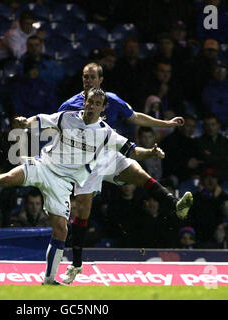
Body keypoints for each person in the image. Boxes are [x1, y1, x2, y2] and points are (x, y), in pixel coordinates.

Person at [0, 88, 176, 285]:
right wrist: (26, 121)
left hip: (63, 184)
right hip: (44, 167)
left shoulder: (106, 134)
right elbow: (40, 120)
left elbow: (133, 151)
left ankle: (49, 280)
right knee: (7, 178)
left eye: (97, 103)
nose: (92, 106)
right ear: (84, 102)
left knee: (61, 231)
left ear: (103, 108)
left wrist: (151, 152)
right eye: (89, 101)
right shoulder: (66, 117)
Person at [57, 63, 190, 283]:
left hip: (108, 153)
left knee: (137, 172)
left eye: (92, 77)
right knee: (82, 212)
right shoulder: (69, 106)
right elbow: (58, 131)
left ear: (101, 80)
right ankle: (76, 264)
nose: (88, 81)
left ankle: (175, 204)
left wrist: (165, 123)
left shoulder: (111, 101)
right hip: (85, 164)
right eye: (85, 77)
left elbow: (135, 116)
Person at [161, 114, 203, 183]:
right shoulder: (169, 141)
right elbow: (168, 164)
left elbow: (199, 160)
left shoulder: (193, 142)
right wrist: (186, 163)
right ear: (180, 126)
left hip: (192, 177)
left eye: (193, 126)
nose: (191, 129)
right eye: (189, 126)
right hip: (175, 177)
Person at [195, 113, 228, 179]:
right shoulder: (198, 142)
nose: (210, 128)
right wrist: (219, 156)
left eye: (213, 124)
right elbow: (205, 160)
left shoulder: (225, 141)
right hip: (207, 175)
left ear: (218, 125)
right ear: (204, 127)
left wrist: (211, 155)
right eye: (207, 125)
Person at [202, 60, 228, 126]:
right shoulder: (208, 90)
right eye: (217, 68)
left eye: (223, 69)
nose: (220, 71)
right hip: (218, 125)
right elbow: (213, 109)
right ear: (212, 71)